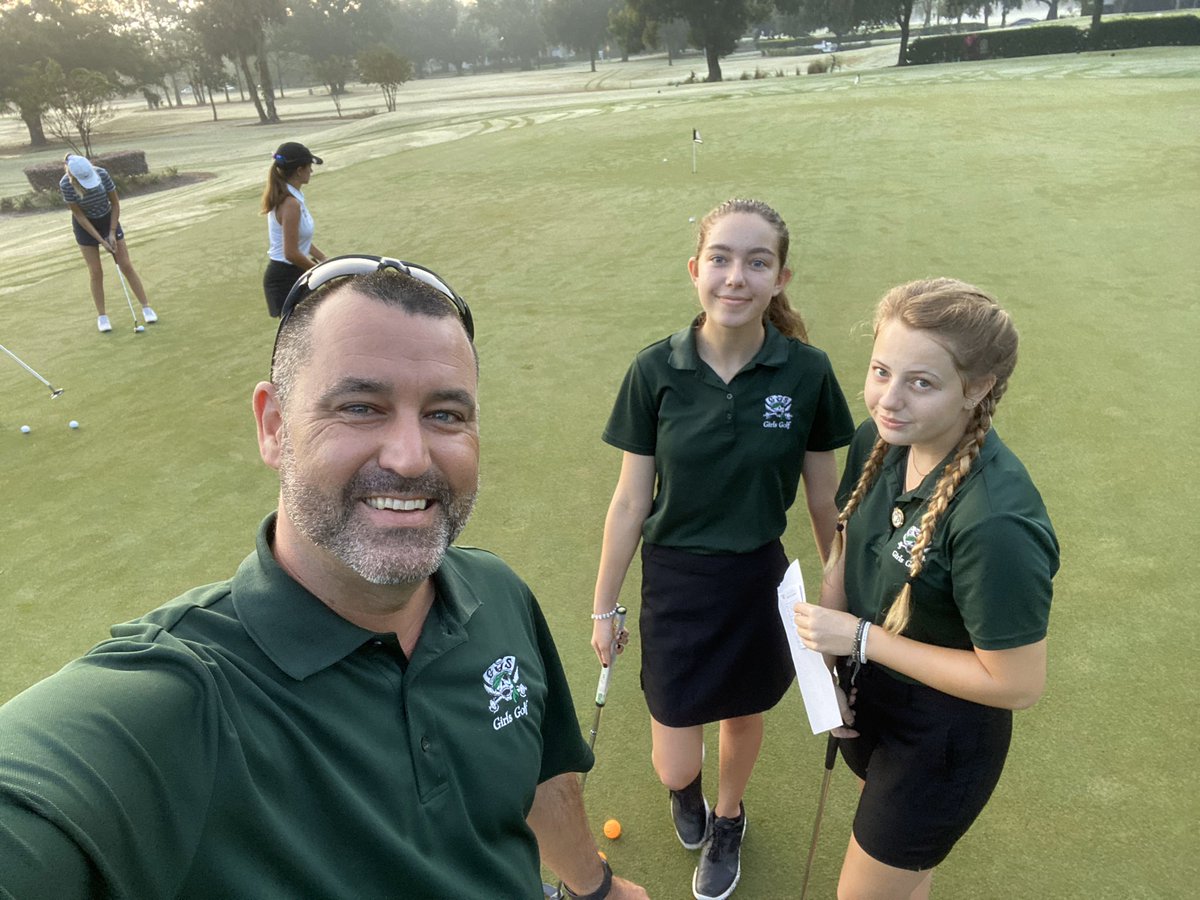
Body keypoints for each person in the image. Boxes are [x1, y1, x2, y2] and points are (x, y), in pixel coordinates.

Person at [0, 255, 647, 900]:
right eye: (361, 406)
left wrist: (595, 888)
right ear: (274, 427)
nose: (410, 456)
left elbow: (538, 778)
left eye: (445, 414)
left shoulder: (497, 593)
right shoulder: (175, 702)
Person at [592, 199, 855, 900]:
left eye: (757, 262)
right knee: (674, 756)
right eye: (721, 259)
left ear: (780, 277)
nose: (736, 277)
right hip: (675, 581)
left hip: (757, 580)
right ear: (695, 270)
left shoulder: (806, 372)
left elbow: (826, 502)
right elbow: (628, 502)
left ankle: (730, 818)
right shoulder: (656, 371)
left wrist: (840, 596)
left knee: (743, 715)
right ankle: (691, 797)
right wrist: (600, 607)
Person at [793, 278, 1059, 899]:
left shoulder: (996, 520)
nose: (889, 398)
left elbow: (1017, 683)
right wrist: (830, 668)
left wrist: (858, 639)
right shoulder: (880, 439)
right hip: (871, 702)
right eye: (882, 370)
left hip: (942, 743)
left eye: (921, 382)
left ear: (977, 388)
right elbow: (845, 549)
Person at [59, 154, 158, 333]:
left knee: (125, 264)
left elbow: (115, 203)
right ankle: (102, 316)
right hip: (85, 226)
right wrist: (100, 240)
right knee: (95, 271)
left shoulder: (102, 174)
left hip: (108, 218)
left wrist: (111, 233)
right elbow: (79, 216)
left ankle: (146, 307)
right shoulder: (66, 184)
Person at [261, 141, 328, 317]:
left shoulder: (294, 197)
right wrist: (321, 272)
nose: (311, 171)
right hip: (284, 278)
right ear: (299, 170)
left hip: (295, 270)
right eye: (309, 167)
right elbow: (291, 252)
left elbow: (299, 239)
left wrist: (323, 258)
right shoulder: (290, 203)